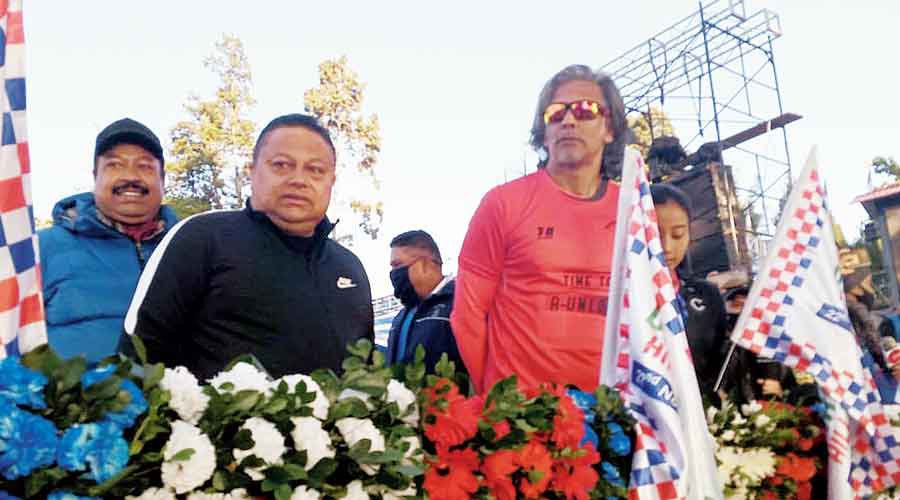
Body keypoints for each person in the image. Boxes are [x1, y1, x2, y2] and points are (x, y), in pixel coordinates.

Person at [121, 113, 373, 379]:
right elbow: (137, 358)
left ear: (331, 181)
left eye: (315, 170)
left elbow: (366, 374)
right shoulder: (201, 239)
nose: (299, 179)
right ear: (251, 171)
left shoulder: (350, 268)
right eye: (282, 165)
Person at [451, 64, 632, 393]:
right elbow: (467, 314)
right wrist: (497, 401)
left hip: (615, 422)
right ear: (544, 130)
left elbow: (655, 320)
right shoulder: (503, 204)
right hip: (524, 424)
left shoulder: (634, 211)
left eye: (586, 109)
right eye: (555, 113)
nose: (569, 120)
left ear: (610, 128)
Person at [39, 118, 178, 363]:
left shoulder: (190, 250)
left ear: (162, 179)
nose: (131, 176)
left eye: (145, 167)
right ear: (96, 176)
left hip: (180, 397)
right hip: (65, 398)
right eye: (115, 165)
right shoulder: (40, 250)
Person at [650, 183, 730, 402]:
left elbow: (720, 363)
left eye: (677, 235)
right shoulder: (618, 296)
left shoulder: (707, 296)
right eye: (655, 234)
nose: (666, 246)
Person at [385, 230, 465, 374]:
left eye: (397, 265)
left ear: (425, 263)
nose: (393, 273)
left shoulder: (460, 304)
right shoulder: (401, 316)